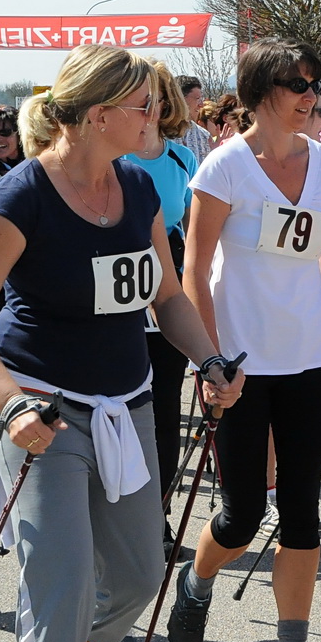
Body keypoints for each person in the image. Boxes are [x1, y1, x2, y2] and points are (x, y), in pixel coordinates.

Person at [0, 45, 236, 642]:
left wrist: (210, 361)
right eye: (144, 104)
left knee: (140, 575)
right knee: (60, 584)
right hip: (44, 412)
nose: (157, 113)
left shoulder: (137, 186)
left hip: (126, 404)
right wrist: (10, 403)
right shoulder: (21, 195)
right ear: (99, 115)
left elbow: (166, 297)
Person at [167, 37, 321, 642]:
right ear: (261, 92)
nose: (310, 94)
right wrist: (208, 359)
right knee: (241, 514)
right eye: (296, 83)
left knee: (302, 509)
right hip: (239, 364)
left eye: (315, 81)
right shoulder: (225, 167)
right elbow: (194, 270)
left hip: (309, 359)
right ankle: (196, 584)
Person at [119, 60, 200, 541]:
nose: (146, 109)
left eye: (153, 98)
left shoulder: (182, 161)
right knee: (120, 409)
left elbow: (193, 236)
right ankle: (116, 514)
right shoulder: (110, 160)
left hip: (166, 284)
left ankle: (158, 516)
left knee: (166, 414)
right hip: (116, 292)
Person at [176, 74, 215, 163]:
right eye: (197, 98)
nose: (201, 105)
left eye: (202, 99)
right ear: (180, 98)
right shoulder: (159, 134)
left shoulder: (204, 136)